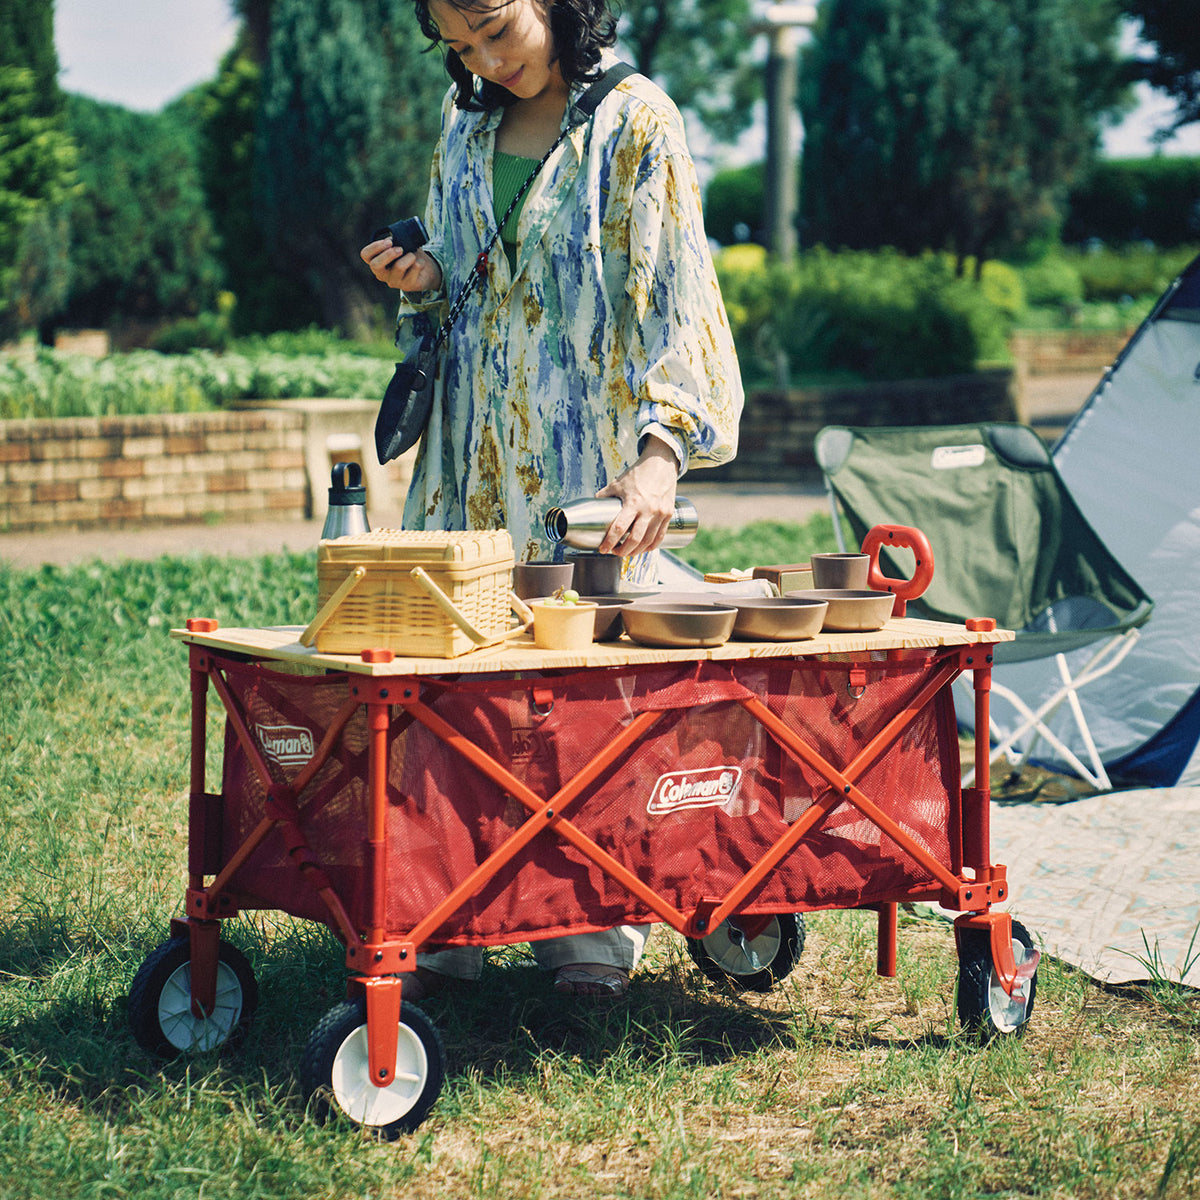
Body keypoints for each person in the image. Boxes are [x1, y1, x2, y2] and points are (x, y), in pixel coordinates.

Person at [361, 0, 743, 998]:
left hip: (588, 462)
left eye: (497, 27)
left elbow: (680, 300)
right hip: (472, 453)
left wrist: (661, 457)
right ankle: (458, 897)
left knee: (583, 696)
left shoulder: (636, 119)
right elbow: (468, 280)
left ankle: (595, 918)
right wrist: (421, 273)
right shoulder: (468, 124)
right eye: (462, 44)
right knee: (464, 678)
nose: (487, 57)